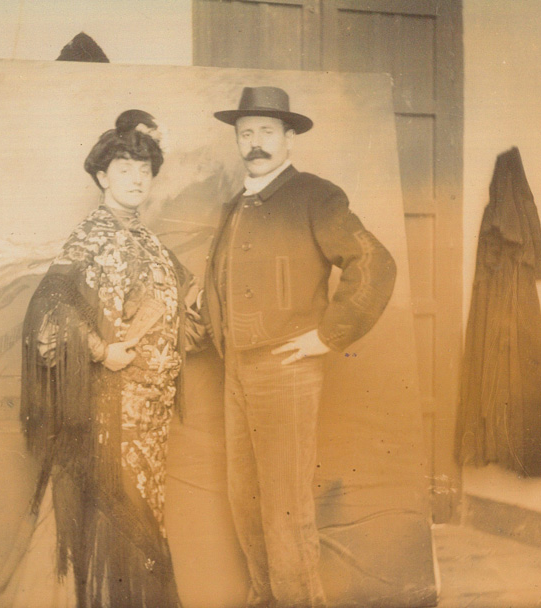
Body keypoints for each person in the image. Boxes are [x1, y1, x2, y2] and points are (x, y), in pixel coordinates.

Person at [203, 86, 397, 607]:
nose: (255, 143)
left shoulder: (315, 195)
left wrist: (327, 336)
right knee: (244, 503)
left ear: (290, 137)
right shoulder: (236, 204)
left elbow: (375, 264)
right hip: (237, 372)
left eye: (267, 132)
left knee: (284, 510)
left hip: (286, 372)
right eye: (246, 134)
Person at [4, 110, 201, 608]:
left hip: (151, 417)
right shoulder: (90, 236)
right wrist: (99, 350)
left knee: (144, 516)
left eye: (144, 170)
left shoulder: (148, 240)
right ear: (101, 176)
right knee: (116, 516)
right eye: (124, 169)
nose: (136, 179)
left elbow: (184, 298)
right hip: (109, 407)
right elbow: (48, 313)